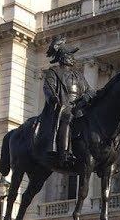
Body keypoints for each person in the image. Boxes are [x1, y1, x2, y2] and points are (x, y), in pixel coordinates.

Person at [35, 37, 93, 166]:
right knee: (68, 115)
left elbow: (89, 90)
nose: (72, 58)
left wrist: (87, 97)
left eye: (72, 56)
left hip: (79, 104)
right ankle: (65, 152)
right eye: (69, 55)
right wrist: (53, 98)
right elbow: (48, 88)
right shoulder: (54, 72)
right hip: (63, 105)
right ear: (62, 57)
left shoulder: (78, 75)